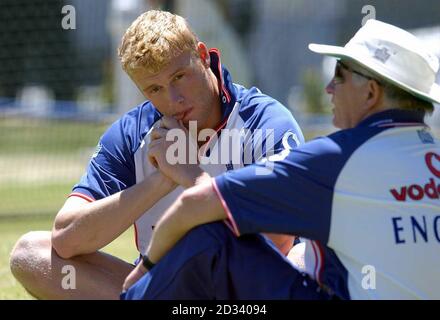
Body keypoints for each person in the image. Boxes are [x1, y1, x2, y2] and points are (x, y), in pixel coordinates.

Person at [122, 19, 440, 300]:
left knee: (211, 234)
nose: (328, 88)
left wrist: (145, 268)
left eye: (340, 77)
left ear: (371, 93)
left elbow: (196, 204)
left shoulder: (335, 159)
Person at [9, 10, 304, 299]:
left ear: (202, 55)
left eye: (179, 76)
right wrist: (161, 180)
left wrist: (191, 176)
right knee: (30, 254)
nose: (173, 99)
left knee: (302, 262)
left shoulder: (265, 122)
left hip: (249, 289)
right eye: (154, 88)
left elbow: (277, 239)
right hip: (167, 289)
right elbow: (67, 238)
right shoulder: (131, 134)